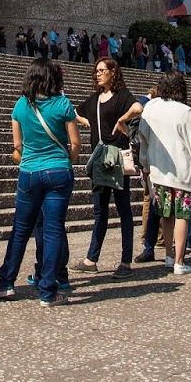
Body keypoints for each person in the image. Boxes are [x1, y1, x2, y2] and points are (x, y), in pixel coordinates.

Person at [0, 59, 79, 304]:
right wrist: (65, 162)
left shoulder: (20, 106)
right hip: (58, 171)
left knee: (20, 229)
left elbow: (17, 146)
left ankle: (6, 283)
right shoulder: (63, 104)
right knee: (53, 231)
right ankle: (48, 291)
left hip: (29, 172)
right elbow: (75, 144)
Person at [76, 57, 143, 275]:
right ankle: (91, 259)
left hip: (116, 159)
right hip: (99, 158)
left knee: (124, 210)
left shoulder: (122, 96)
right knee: (99, 211)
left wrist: (121, 120)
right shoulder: (94, 98)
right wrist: (90, 123)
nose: (98, 74)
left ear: (113, 73)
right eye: (96, 71)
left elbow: (138, 107)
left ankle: (125, 262)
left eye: (102, 70)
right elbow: (76, 112)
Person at [138, 72, 191, 274]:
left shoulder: (151, 107)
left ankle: (169, 255)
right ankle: (179, 261)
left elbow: (144, 138)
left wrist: (145, 163)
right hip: (181, 173)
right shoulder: (185, 111)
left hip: (158, 171)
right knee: (181, 216)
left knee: (165, 215)